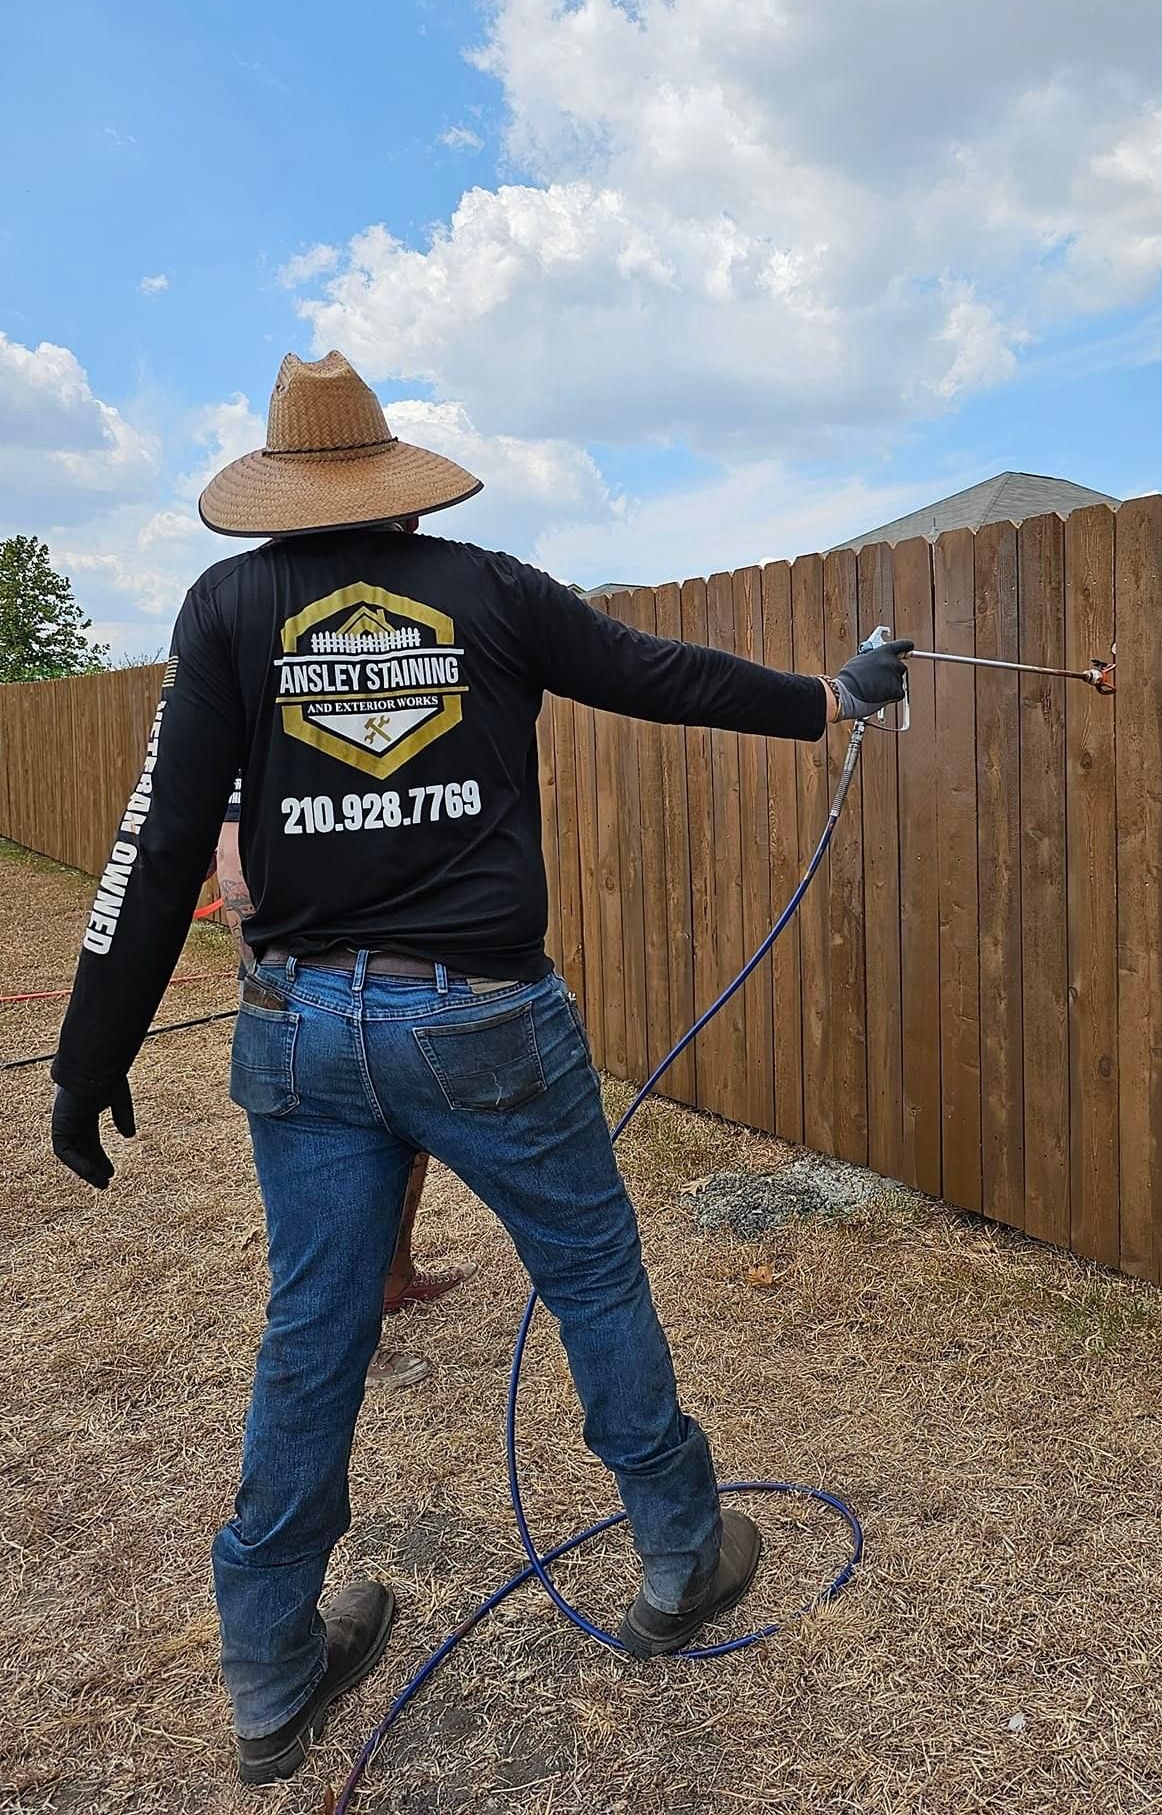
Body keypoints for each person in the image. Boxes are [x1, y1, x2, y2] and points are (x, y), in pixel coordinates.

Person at [46, 350, 911, 1788]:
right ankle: (681, 1557)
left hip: (303, 1029)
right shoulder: (489, 589)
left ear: (279, 490)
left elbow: (160, 831)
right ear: (390, 478)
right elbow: (661, 675)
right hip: (483, 1022)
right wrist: (830, 697)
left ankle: (269, 1670)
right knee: (592, 1275)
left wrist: (90, 1054)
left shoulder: (228, 608)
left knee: (311, 1333)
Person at [218, 779, 472, 1393]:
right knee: (336, 1181)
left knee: (406, 1141)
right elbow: (233, 853)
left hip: (399, 986)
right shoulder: (266, 696)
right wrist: (273, 975)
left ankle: (392, 1277)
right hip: (316, 993)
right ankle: (353, 1346)